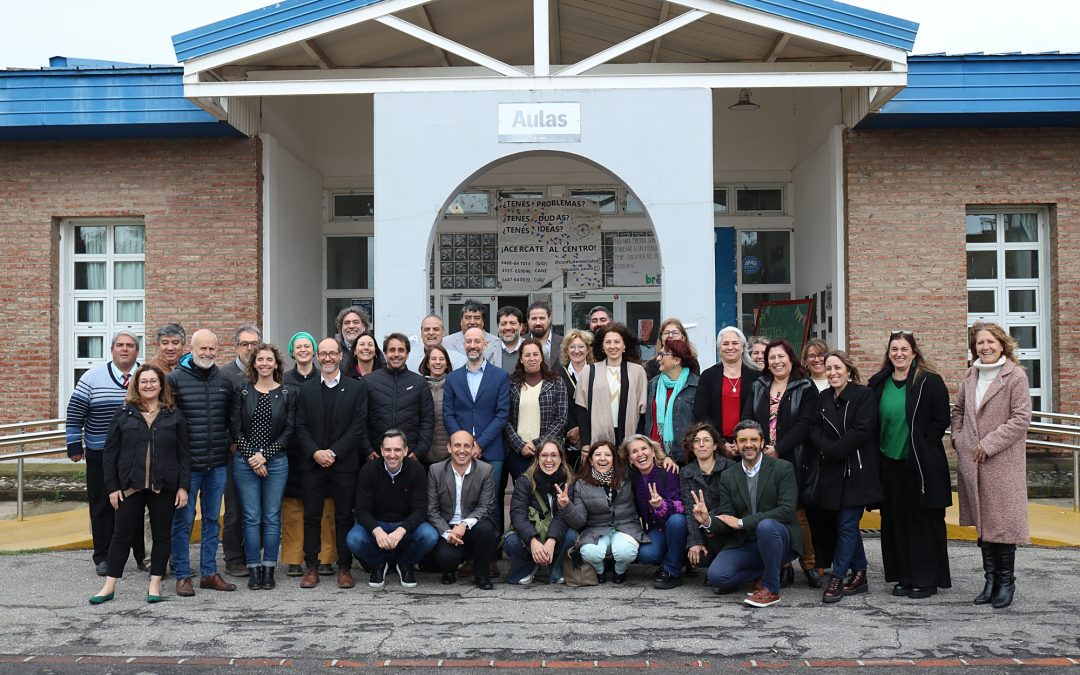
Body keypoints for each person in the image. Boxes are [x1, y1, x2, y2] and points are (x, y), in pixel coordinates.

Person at [89, 364, 190, 605]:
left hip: (163, 486)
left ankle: (155, 584)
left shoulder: (173, 414)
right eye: (143, 381)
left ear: (161, 385)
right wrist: (112, 487)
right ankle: (109, 586)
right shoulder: (124, 414)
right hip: (130, 486)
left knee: (161, 535)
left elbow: (184, 454)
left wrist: (183, 487)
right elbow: (110, 453)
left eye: (153, 381)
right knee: (121, 535)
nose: (148, 385)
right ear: (136, 385)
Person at [951, 322, 1031, 609]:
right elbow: (958, 410)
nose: (984, 347)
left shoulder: (1015, 376)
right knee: (984, 523)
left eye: (990, 342)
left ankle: (1006, 581)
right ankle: (990, 579)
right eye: (979, 343)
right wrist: (959, 439)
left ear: (1002, 344)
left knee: (1003, 523)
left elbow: (1021, 418)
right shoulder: (971, 374)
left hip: (1002, 462)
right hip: (973, 461)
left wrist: (989, 443)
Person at [867, 330, 952, 599]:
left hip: (920, 466)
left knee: (922, 524)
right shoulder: (879, 383)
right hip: (889, 465)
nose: (899, 354)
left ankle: (926, 579)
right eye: (894, 350)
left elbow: (942, 418)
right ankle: (904, 575)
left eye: (904, 349)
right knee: (896, 523)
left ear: (914, 352)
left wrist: (925, 441)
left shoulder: (929, 381)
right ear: (888, 353)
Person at [692, 419, 803, 608]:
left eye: (753, 439)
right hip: (747, 542)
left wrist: (743, 522)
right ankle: (769, 569)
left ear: (762, 443)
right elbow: (728, 516)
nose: (748, 444)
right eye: (743, 440)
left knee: (766, 525)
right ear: (735, 444)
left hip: (779, 538)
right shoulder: (729, 475)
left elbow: (786, 511)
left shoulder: (782, 468)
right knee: (718, 577)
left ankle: (770, 588)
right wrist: (708, 520)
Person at [742, 338, 821, 587]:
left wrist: (779, 449)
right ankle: (783, 565)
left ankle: (809, 564)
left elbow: (806, 425)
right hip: (762, 459)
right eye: (771, 358)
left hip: (794, 459)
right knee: (771, 512)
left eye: (780, 357)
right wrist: (756, 446)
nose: (776, 362)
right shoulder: (759, 386)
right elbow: (748, 418)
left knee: (797, 514)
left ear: (791, 359)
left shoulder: (805, 386)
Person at [295, 337, 370, 590]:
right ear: (317, 357)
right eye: (323, 354)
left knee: (343, 517)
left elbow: (358, 426)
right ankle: (312, 567)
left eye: (332, 353)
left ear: (341, 356)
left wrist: (334, 452)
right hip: (312, 464)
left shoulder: (356, 388)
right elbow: (300, 427)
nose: (327, 358)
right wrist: (316, 452)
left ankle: (344, 568)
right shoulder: (305, 390)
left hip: (344, 464)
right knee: (312, 516)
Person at [807, 351, 882, 604]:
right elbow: (814, 428)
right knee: (844, 525)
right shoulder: (823, 397)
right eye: (828, 369)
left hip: (857, 471)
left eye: (837, 367)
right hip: (832, 473)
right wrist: (827, 449)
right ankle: (860, 572)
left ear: (848, 371)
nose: (832, 372)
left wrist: (834, 450)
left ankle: (838, 577)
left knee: (847, 524)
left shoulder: (864, 395)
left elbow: (862, 430)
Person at [168, 329, 237, 597]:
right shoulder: (174, 379)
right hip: (187, 466)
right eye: (202, 349)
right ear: (192, 349)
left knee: (211, 520)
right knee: (183, 521)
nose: (207, 353)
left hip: (217, 463)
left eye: (212, 349)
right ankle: (183, 575)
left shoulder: (224, 380)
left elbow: (232, 418)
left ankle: (209, 573)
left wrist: (229, 441)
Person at [65, 331, 141, 576]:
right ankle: (103, 557)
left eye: (130, 345)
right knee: (102, 506)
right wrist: (74, 445)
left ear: (137, 351)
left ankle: (142, 556)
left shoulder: (146, 375)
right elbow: (75, 413)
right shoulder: (92, 377)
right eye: (120, 345)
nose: (125, 349)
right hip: (100, 454)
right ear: (112, 350)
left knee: (139, 507)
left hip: (136, 457)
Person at [229, 343, 295, 591]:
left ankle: (269, 569)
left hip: (276, 462)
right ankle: (253, 568)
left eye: (270, 360)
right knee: (251, 517)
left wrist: (265, 456)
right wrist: (252, 458)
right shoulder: (242, 391)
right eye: (260, 360)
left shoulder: (288, 393)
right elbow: (235, 427)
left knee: (271, 517)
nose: (265, 364)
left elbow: (289, 430)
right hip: (245, 463)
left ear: (276, 364)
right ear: (253, 364)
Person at [443, 327, 510, 546]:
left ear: (486, 345)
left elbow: (502, 415)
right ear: (464, 345)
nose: (473, 345)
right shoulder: (452, 378)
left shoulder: (500, 376)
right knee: (463, 502)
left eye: (477, 341)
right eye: (468, 341)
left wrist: (479, 443)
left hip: (491, 450)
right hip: (460, 452)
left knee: (491, 503)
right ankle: (467, 553)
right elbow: (448, 414)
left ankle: (492, 553)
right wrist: (464, 444)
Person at [348, 430, 438, 589]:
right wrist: (377, 530)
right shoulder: (368, 470)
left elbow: (420, 510)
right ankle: (378, 564)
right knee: (354, 539)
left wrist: (401, 530)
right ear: (381, 450)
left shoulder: (417, 470)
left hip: (405, 524)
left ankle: (405, 564)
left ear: (405, 450)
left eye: (397, 450)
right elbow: (361, 510)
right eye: (388, 450)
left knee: (429, 535)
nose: (392, 454)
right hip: (377, 523)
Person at [281, 332, 337, 578]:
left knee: (325, 507)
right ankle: (293, 558)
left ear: (314, 352)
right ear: (293, 351)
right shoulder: (283, 380)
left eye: (307, 346)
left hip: (320, 450)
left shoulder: (324, 377)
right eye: (298, 346)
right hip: (293, 451)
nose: (303, 350)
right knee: (293, 508)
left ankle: (325, 557)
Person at [560, 440, 645, 584]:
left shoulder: (627, 477)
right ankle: (600, 570)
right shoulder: (581, 484)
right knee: (589, 552)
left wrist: (665, 459)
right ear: (591, 460)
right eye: (598, 454)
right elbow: (579, 521)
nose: (603, 458)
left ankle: (620, 571)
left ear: (614, 459)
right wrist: (567, 506)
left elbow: (645, 464)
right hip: (596, 529)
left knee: (625, 551)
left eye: (608, 455)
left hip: (626, 527)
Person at [427, 430, 498, 590]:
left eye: (467, 446)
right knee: (446, 558)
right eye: (457, 445)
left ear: (473, 449)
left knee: (486, 529)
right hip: (448, 526)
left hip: (473, 525)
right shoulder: (436, 471)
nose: (462, 450)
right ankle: (449, 570)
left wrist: (464, 524)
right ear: (449, 448)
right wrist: (448, 533)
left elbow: (485, 506)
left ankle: (482, 574)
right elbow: (432, 510)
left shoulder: (485, 470)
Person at [220, 323, 261, 578]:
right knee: (234, 507)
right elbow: (219, 413)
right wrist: (232, 442)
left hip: (263, 452)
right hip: (234, 452)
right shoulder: (224, 374)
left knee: (257, 507)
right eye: (244, 344)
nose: (249, 348)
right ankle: (234, 557)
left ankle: (254, 554)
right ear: (236, 347)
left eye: (253, 344)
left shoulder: (268, 371)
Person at [503, 440, 574, 585]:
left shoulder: (569, 480)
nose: (549, 460)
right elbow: (518, 514)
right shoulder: (525, 480)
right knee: (511, 542)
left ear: (561, 458)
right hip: (532, 531)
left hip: (555, 535)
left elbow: (563, 516)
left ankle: (556, 567)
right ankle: (529, 566)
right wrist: (533, 541)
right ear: (537, 458)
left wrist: (551, 540)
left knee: (572, 535)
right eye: (544, 455)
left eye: (554, 455)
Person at [622, 435, 687, 589]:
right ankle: (676, 559)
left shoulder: (668, 470)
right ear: (630, 459)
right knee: (646, 555)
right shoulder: (632, 479)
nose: (640, 454)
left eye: (644, 449)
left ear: (653, 451)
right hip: (657, 528)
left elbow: (681, 505)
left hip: (677, 526)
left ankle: (673, 571)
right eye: (634, 452)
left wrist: (661, 505)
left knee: (676, 520)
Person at [574, 323, 648, 450]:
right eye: (608, 342)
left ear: (624, 345)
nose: (612, 346)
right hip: (597, 440)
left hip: (629, 440)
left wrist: (638, 441)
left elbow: (643, 412)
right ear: (602, 346)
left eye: (617, 342)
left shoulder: (637, 371)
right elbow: (581, 411)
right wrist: (585, 443)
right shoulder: (589, 371)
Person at [363, 333, 435, 463]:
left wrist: (419, 452)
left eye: (401, 350)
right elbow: (360, 418)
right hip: (376, 456)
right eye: (391, 350)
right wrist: (367, 449)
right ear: (384, 353)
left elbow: (427, 420)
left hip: (410, 456)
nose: (396, 354)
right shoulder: (369, 381)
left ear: (407, 354)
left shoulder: (419, 383)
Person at [505, 338, 568, 483]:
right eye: (527, 355)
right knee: (522, 495)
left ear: (541, 357)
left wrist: (539, 444)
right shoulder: (511, 383)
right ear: (521, 359)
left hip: (548, 452)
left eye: (535, 354)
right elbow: (505, 419)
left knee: (548, 495)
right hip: (518, 452)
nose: (531, 359)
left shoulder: (556, 382)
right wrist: (520, 446)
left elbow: (561, 419)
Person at [695, 326, 759, 459]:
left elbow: (759, 411)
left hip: (750, 444)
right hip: (717, 444)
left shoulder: (756, 375)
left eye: (735, 343)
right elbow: (700, 412)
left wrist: (741, 440)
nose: (730, 347)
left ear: (743, 347)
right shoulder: (708, 375)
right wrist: (720, 442)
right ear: (719, 348)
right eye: (725, 344)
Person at [680, 422, 735, 571]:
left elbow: (731, 505)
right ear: (692, 447)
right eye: (696, 441)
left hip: (726, 526)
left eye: (706, 440)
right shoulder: (686, 472)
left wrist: (708, 517)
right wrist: (695, 541)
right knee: (700, 559)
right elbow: (688, 508)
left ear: (715, 445)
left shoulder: (730, 467)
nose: (701, 445)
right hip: (702, 530)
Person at [644, 338, 699, 464]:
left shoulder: (696, 385)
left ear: (676, 360)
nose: (658, 359)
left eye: (662, 355)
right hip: (654, 456)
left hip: (684, 457)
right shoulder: (653, 384)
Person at [558, 328, 594, 469]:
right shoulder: (558, 375)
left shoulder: (597, 373)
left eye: (581, 346)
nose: (576, 351)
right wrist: (572, 429)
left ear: (588, 350)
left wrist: (582, 430)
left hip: (593, 436)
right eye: (572, 347)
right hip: (567, 437)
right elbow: (558, 406)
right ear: (567, 351)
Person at [420, 344, 454, 466]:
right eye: (434, 359)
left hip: (449, 456)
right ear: (427, 364)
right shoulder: (418, 386)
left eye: (442, 359)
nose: (438, 362)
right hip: (422, 455)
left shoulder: (455, 386)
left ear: (447, 364)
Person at [335, 305, 384, 377]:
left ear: (364, 327)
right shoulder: (335, 351)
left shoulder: (373, 351)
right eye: (347, 323)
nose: (351, 326)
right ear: (341, 328)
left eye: (355, 322)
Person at [483, 305, 526, 371]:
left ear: (521, 326)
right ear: (498, 327)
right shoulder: (486, 351)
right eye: (503, 324)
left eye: (513, 323)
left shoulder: (531, 348)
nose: (508, 328)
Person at [526, 300, 563, 369]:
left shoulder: (564, 343)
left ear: (549, 319)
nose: (538, 323)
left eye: (542, 318)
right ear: (528, 320)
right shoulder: (520, 342)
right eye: (534, 319)